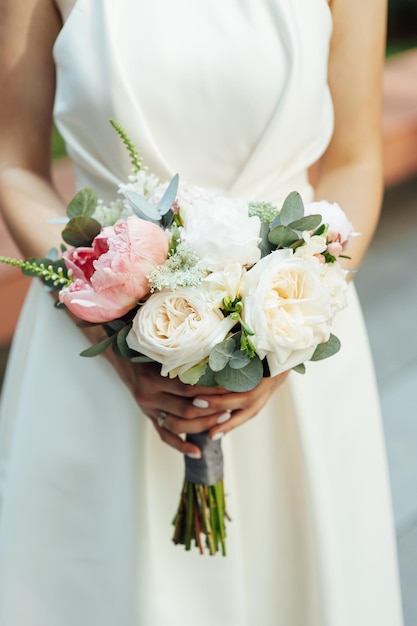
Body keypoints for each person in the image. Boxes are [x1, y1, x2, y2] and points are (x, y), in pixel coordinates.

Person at [0, 0, 404, 624]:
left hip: (292, 339)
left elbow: (354, 161)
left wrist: (283, 328)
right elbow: (13, 164)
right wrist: (104, 321)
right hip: (91, 361)